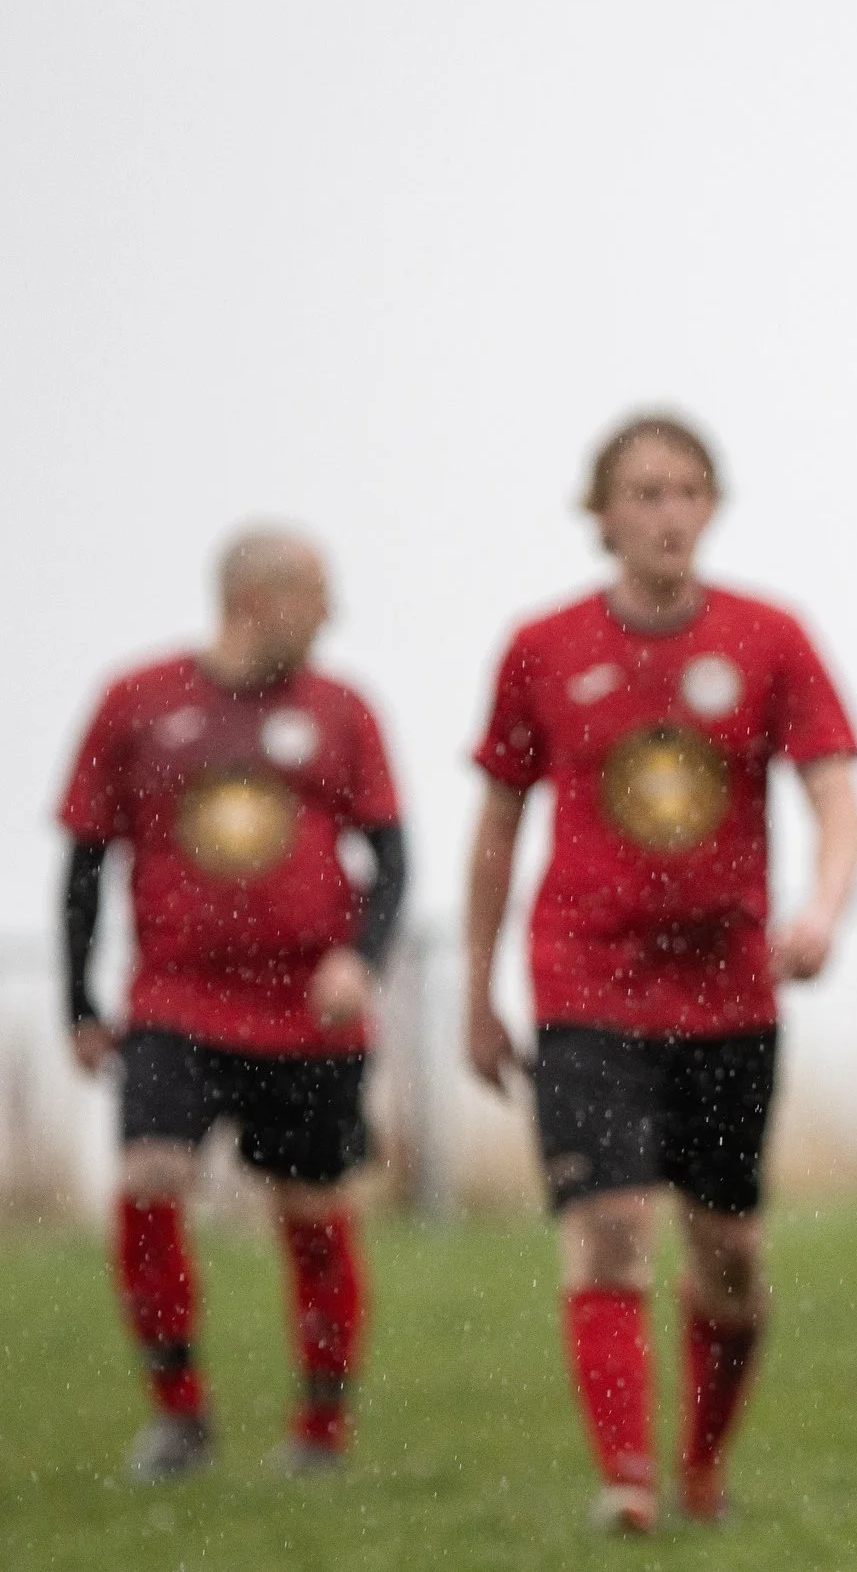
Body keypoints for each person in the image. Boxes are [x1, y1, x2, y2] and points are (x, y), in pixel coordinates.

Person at [464, 413, 857, 1533]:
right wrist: (477, 992)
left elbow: (837, 796)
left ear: (713, 507)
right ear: (600, 516)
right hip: (586, 985)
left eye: (687, 489)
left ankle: (700, 1468)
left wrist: (822, 910)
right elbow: (495, 827)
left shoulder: (770, 637)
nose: (668, 512)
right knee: (609, 1226)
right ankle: (627, 1481)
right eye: (644, 492)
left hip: (730, 993)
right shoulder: (541, 648)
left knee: (728, 1256)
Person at [58, 529, 408, 1482]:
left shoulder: (342, 711)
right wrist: (78, 1001)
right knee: (150, 1176)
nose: (331, 616)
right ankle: (179, 1415)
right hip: (177, 1003)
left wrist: (361, 960)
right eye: (316, 595)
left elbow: (393, 858)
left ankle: (320, 1430)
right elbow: (85, 859)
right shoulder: (137, 702)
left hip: (308, 1012)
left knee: (311, 1206)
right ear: (257, 599)